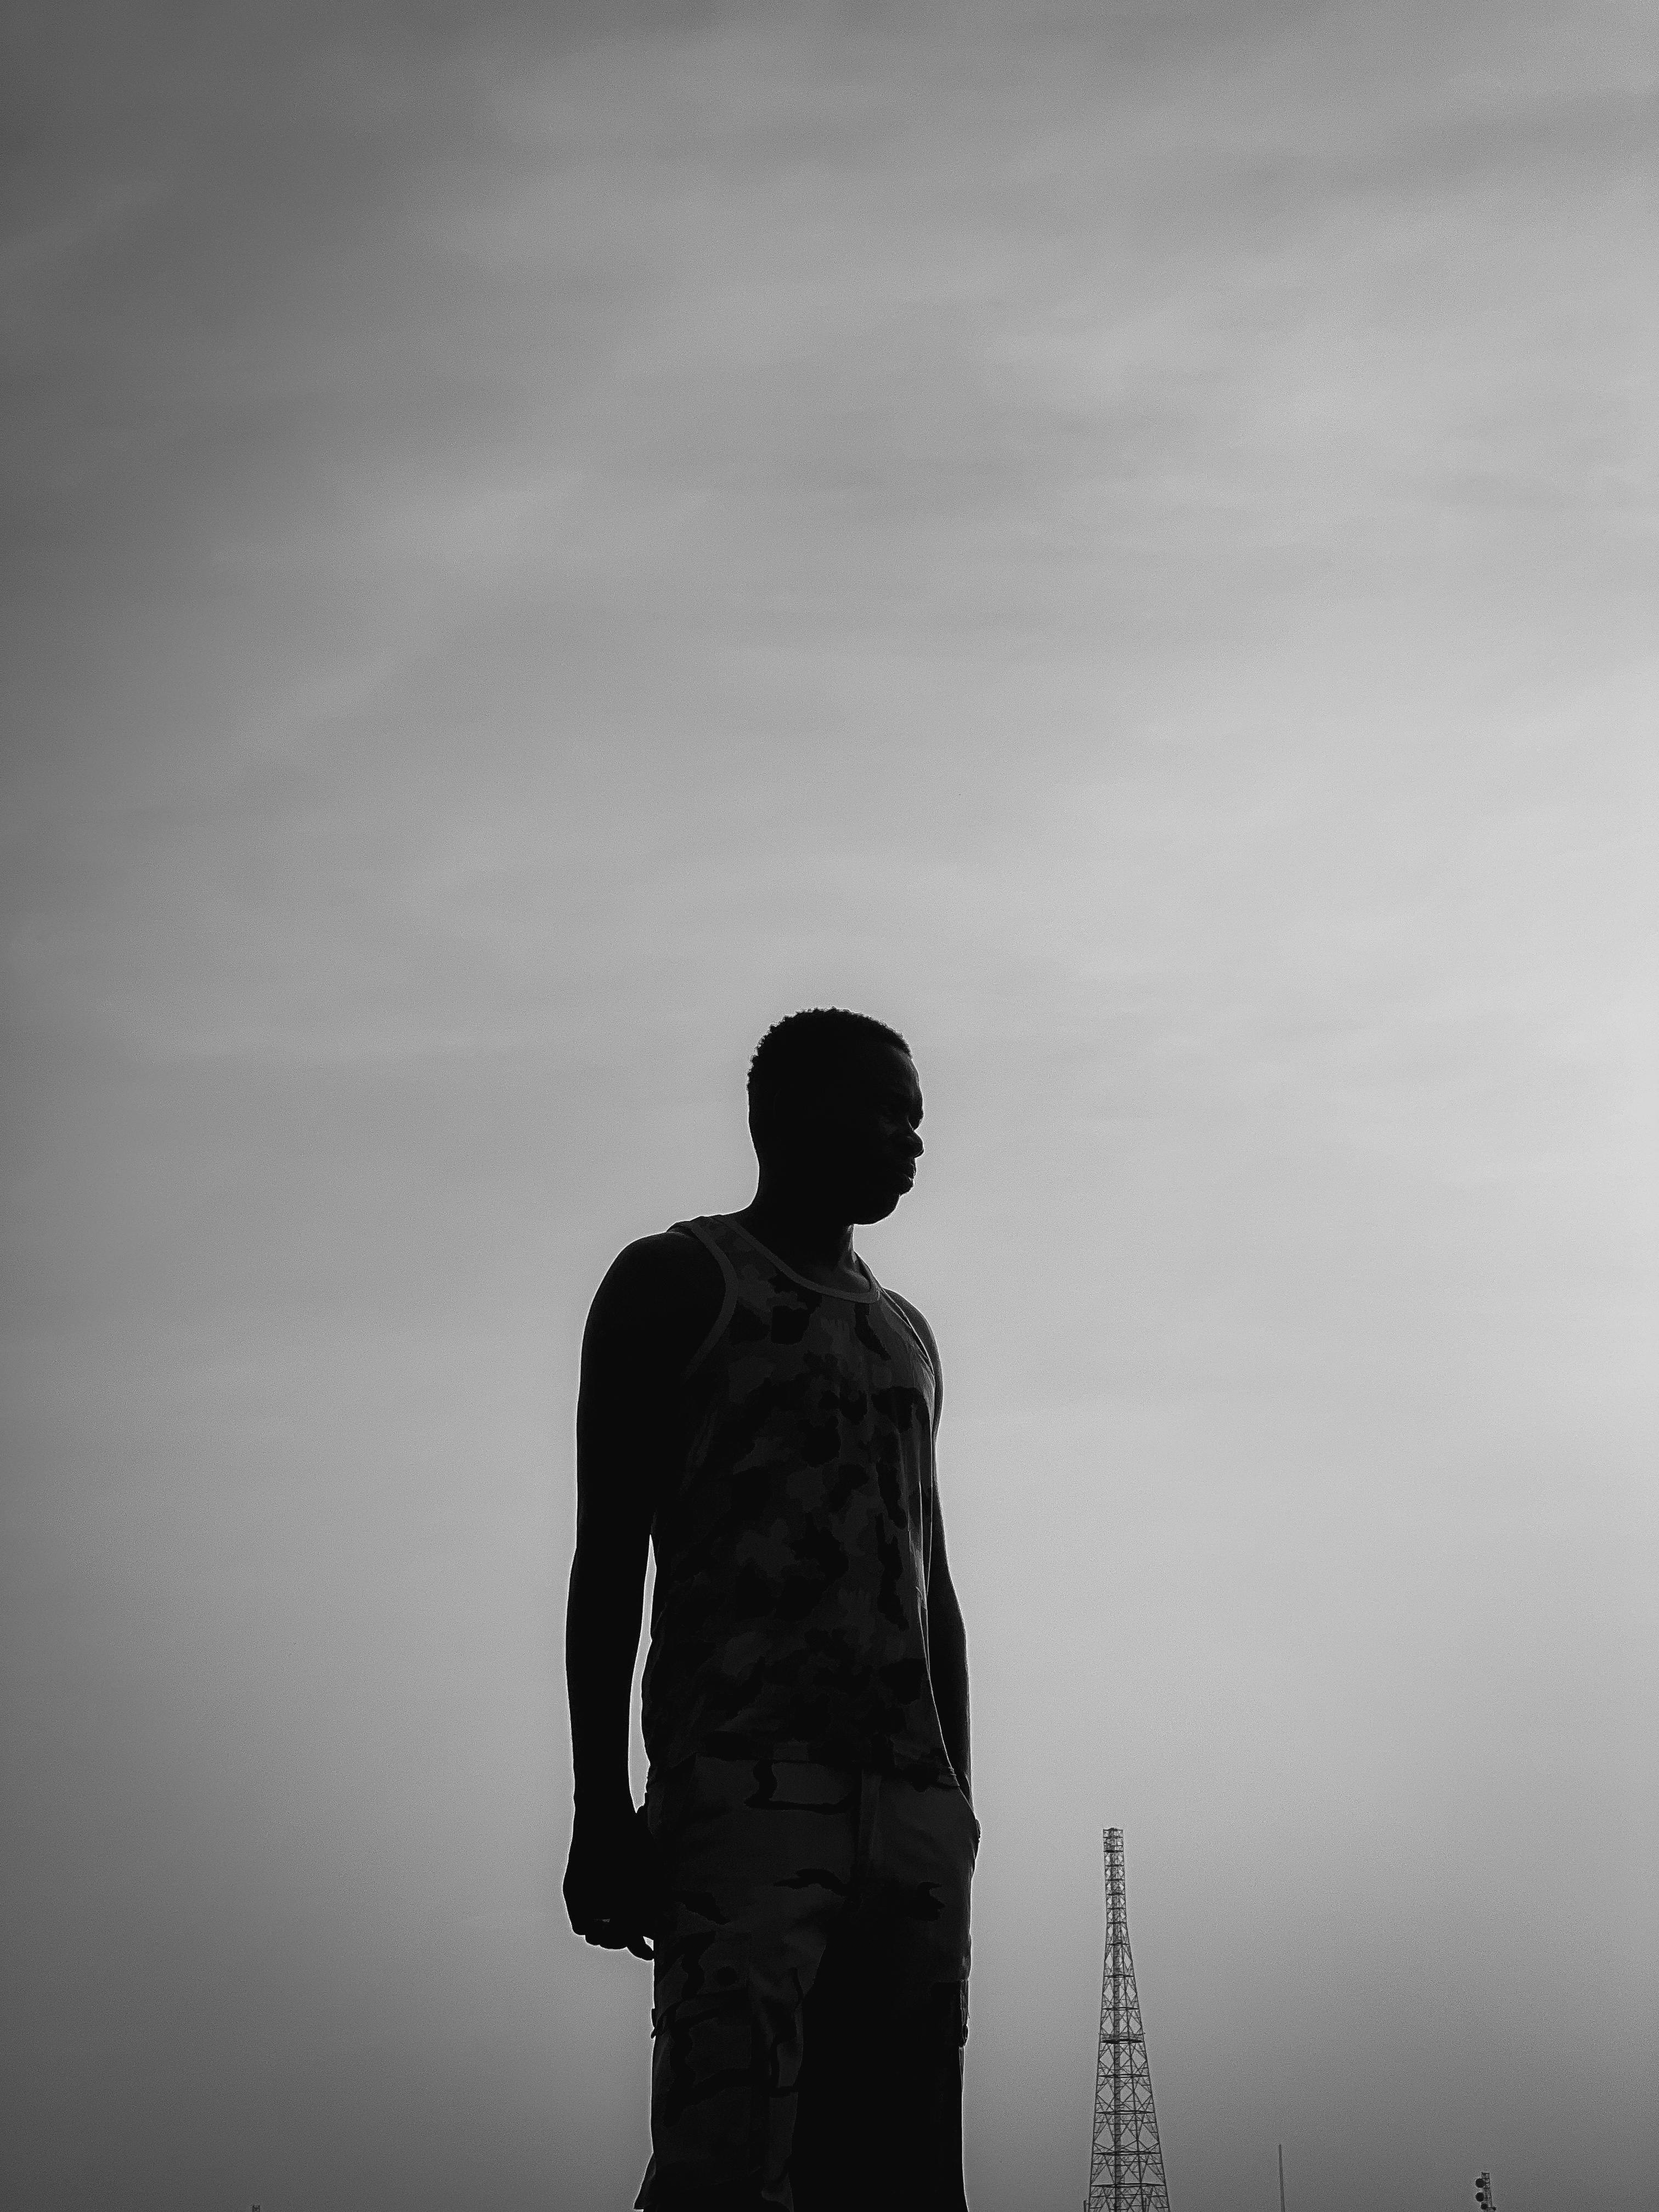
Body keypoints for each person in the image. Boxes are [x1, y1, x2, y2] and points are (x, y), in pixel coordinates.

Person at [563, 1007, 976, 2211]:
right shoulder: (678, 1283)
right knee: (726, 2163)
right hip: (744, 1789)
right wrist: (601, 1804)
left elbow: (929, 1575)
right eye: (884, 1109)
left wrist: (956, 1803)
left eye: (919, 1119)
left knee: (903, 2173)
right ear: (783, 1115)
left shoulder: (906, 1335)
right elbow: (609, 1558)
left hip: (906, 1808)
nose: (909, 1140)